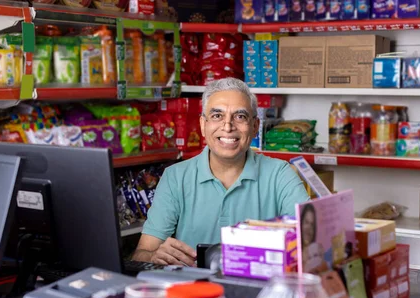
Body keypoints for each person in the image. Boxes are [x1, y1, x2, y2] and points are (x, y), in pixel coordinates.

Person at [133, 78, 310, 266]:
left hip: (257, 291)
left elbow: (311, 246)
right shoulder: (175, 177)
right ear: (203, 124)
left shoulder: (281, 174)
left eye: (240, 116)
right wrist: (154, 257)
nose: (227, 126)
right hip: (193, 290)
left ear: (255, 126)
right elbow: (141, 255)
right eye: (217, 116)